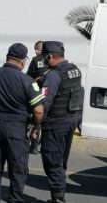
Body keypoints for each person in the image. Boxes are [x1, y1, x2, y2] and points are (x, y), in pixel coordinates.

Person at [0, 43, 45, 203]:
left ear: (7, 57)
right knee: (18, 169)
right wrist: (36, 128)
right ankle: (15, 200)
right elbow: (38, 111)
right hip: (17, 129)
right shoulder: (27, 81)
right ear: (23, 61)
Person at [35, 41, 82, 203]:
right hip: (70, 120)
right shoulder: (75, 70)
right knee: (61, 160)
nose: (43, 60)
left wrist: (37, 125)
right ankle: (58, 192)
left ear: (49, 56)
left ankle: (58, 199)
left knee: (52, 161)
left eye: (44, 57)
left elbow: (45, 103)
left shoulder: (54, 75)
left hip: (55, 124)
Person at [26, 41, 48, 155]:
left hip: (36, 93)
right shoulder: (52, 60)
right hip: (49, 94)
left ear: (36, 48)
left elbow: (28, 76)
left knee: (35, 119)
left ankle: (33, 145)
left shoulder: (35, 60)